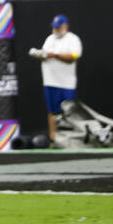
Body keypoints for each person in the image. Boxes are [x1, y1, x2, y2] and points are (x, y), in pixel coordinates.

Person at [28, 14, 82, 143]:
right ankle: (54, 139)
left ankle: (71, 139)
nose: (56, 29)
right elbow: (45, 55)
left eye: (58, 27)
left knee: (69, 112)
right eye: (54, 27)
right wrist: (39, 55)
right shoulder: (49, 39)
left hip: (66, 83)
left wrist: (55, 55)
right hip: (50, 81)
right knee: (53, 112)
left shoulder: (73, 39)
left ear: (65, 26)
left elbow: (74, 57)